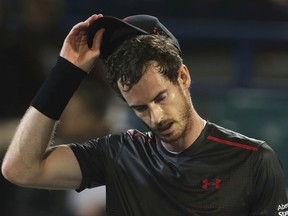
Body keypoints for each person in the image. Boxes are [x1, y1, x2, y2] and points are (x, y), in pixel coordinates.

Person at [1, 13, 287, 216]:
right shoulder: (119, 154)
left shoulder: (253, 160)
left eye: (161, 97)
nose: (157, 116)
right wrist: (65, 74)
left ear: (183, 77)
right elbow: (20, 168)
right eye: (140, 108)